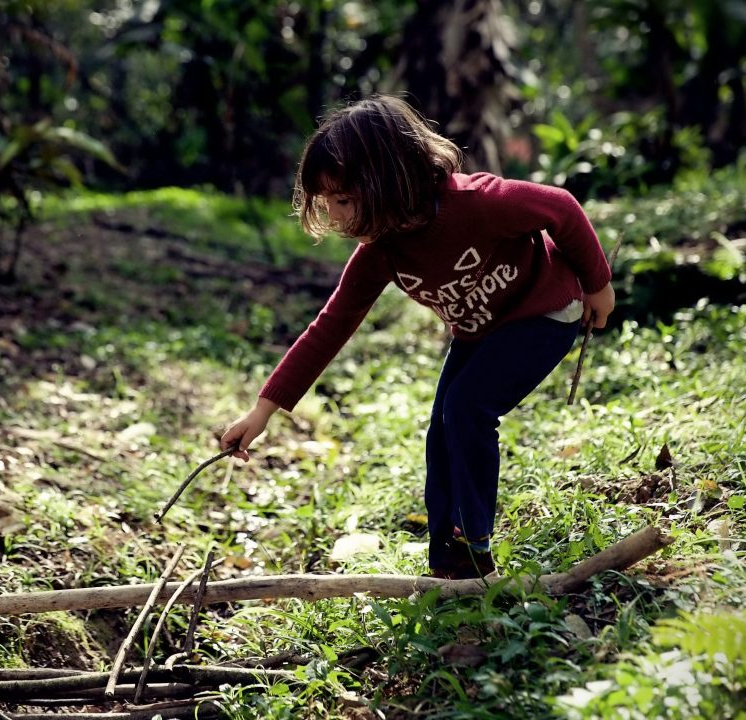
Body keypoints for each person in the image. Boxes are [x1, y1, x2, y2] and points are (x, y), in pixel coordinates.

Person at [218, 95, 615, 580]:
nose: (337, 217)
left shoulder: (479, 204)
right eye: (327, 203)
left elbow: (562, 208)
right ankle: (448, 558)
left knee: (466, 407)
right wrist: (262, 411)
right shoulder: (382, 251)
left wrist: (599, 286)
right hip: (480, 329)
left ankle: (476, 548)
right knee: (440, 432)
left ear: (388, 180)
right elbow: (329, 327)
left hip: (545, 313)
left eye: (344, 200)